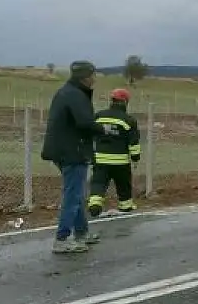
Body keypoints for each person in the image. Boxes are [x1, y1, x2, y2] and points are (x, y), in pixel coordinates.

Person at [41, 60, 104, 253]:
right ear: (85, 77)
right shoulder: (76, 95)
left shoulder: (67, 91)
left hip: (64, 149)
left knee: (76, 193)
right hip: (72, 151)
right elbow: (85, 122)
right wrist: (102, 129)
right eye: (93, 74)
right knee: (73, 194)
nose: (94, 78)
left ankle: (82, 233)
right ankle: (62, 238)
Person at [87, 88, 141, 218]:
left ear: (112, 101)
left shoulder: (98, 116)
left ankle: (95, 204)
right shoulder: (129, 120)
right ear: (125, 102)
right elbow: (133, 142)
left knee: (98, 182)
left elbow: (90, 134)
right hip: (120, 161)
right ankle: (125, 206)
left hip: (100, 159)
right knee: (123, 184)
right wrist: (135, 158)